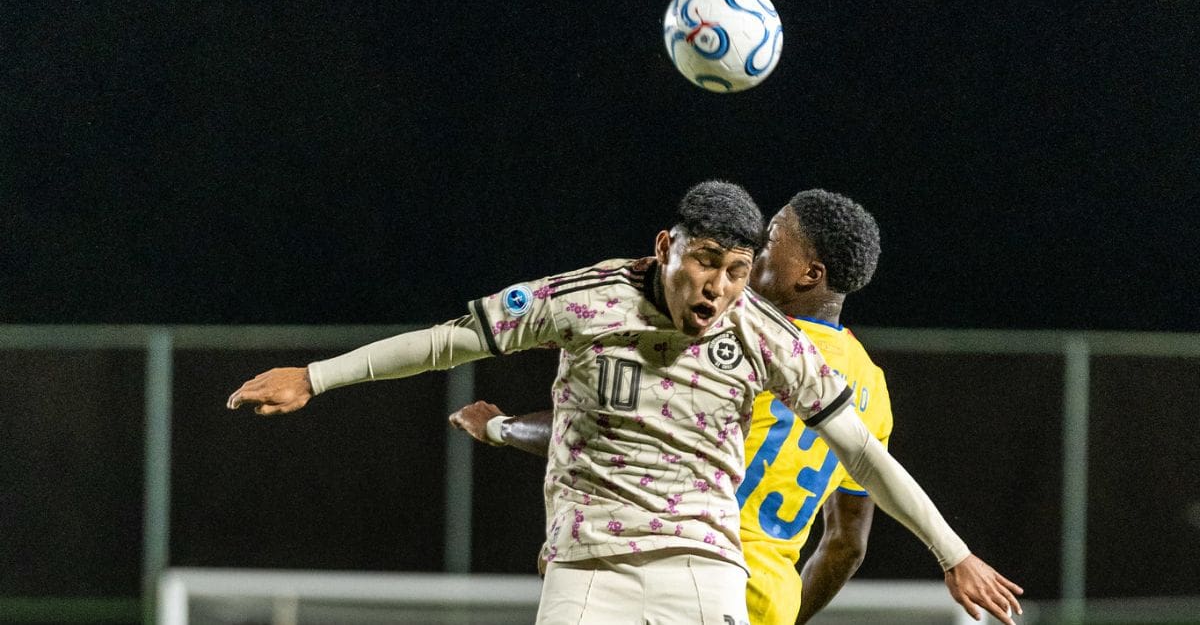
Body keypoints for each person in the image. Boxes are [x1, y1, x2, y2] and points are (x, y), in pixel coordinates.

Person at [227, 181, 1022, 625]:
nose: (720, 287)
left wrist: (953, 552)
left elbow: (862, 453)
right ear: (665, 246)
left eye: (740, 268)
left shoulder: (765, 337)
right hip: (588, 574)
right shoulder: (584, 298)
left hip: (706, 574)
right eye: (707, 262)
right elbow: (446, 342)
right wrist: (318, 375)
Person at [451, 190, 892, 624]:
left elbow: (602, 431)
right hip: (767, 599)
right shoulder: (870, 385)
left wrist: (501, 427)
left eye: (772, 239)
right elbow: (847, 544)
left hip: (686, 575)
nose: (755, 250)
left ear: (809, 274)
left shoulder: (739, 346)